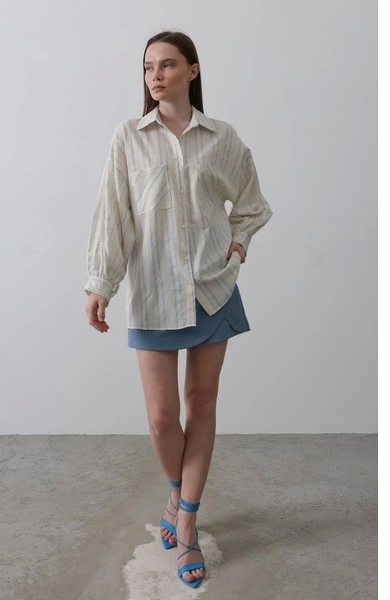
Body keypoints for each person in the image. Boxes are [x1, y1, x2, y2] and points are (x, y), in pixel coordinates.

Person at [84, 30, 272, 589]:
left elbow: (251, 205)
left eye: (167, 65)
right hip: (153, 292)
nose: (156, 76)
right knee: (163, 418)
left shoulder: (222, 138)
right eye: (148, 67)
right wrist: (100, 284)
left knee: (202, 403)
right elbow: (113, 216)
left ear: (192, 70)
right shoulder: (128, 137)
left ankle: (186, 521)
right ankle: (175, 494)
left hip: (212, 287)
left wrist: (238, 245)